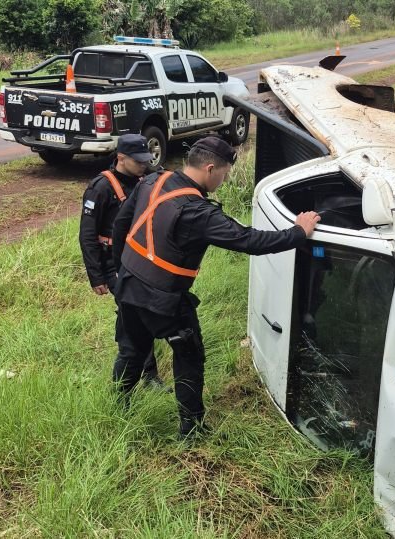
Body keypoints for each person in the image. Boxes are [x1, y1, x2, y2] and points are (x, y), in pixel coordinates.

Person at [111, 135, 320, 438]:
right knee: (189, 356)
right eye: (225, 173)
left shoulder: (153, 180)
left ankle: (119, 406)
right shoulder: (198, 212)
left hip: (129, 286)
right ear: (210, 169)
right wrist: (298, 232)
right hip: (164, 300)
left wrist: (123, 271)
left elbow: (121, 225)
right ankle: (192, 430)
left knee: (131, 351)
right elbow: (250, 240)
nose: (224, 179)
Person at [79, 134, 164, 387]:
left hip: (140, 261)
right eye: (138, 161)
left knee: (140, 314)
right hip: (113, 265)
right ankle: (142, 376)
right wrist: (96, 276)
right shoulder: (101, 187)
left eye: (145, 160)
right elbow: (87, 235)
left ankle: (145, 372)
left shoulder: (144, 181)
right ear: (120, 158)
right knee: (136, 315)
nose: (143, 165)